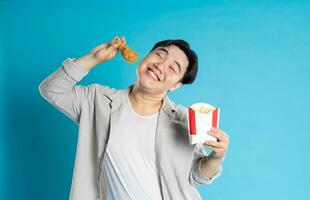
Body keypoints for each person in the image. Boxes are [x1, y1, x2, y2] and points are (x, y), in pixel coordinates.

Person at [39, 36, 229, 200]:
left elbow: (195, 175)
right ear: (146, 56)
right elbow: (51, 90)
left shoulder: (184, 120)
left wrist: (217, 156)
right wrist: (93, 58)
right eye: (159, 55)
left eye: (173, 68)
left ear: (176, 86)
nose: (160, 65)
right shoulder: (97, 101)